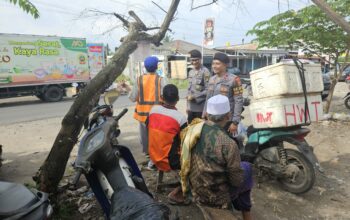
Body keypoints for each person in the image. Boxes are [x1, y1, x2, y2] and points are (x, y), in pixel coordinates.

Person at [180, 94, 253, 220]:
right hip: (216, 196)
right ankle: (246, 213)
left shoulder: (192, 129)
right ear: (228, 116)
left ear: (207, 114)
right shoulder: (229, 144)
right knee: (247, 169)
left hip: (195, 187)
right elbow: (236, 181)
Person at [147, 84, 188, 204]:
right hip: (168, 160)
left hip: (153, 156)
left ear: (161, 97)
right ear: (178, 99)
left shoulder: (153, 111)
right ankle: (178, 193)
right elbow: (185, 141)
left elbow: (148, 128)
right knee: (195, 160)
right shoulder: (180, 118)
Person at [129, 56, 167, 156]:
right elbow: (165, 96)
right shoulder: (160, 80)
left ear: (145, 67)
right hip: (157, 113)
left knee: (144, 136)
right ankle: (156, 154)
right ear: (156, 67)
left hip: (142, 114)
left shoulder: (139, 80)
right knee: (156, 135)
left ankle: (147, 153)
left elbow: (133, 97)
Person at [203, 52, 244, 135]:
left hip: (227, 121)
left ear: (225, 65)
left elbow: (238, 101)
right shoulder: (212, 79)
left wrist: (235, 122)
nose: (214, 66)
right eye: (213, 63)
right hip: (212, 119)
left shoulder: (234, 80)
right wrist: (204, 114)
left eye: (217, 64)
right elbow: (208, 99)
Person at [187, 49, 211, 124]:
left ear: (200, 59)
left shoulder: (205, 72)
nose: (194, 62)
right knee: (190, 129)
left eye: (196, 60)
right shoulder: (191, 72)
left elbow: (208, 90)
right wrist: (187, 106)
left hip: (200, 108)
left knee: (199, 131)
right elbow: (189, 90)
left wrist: (195, 97)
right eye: (192, 60)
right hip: (191, 108)